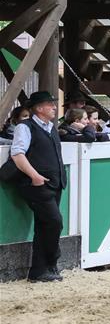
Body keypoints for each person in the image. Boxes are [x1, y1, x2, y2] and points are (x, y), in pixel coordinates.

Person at [9, 91, 66, 282]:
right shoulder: (25, 127)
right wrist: (35, 176)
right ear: (40, 108)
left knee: (45, 225)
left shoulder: (51, 127)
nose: (54, 107)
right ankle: (51, 261)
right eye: (50, 104)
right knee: (54, 221)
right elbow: (17, 154)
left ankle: (41, 270)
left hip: (53, 183)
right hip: (36, 184)